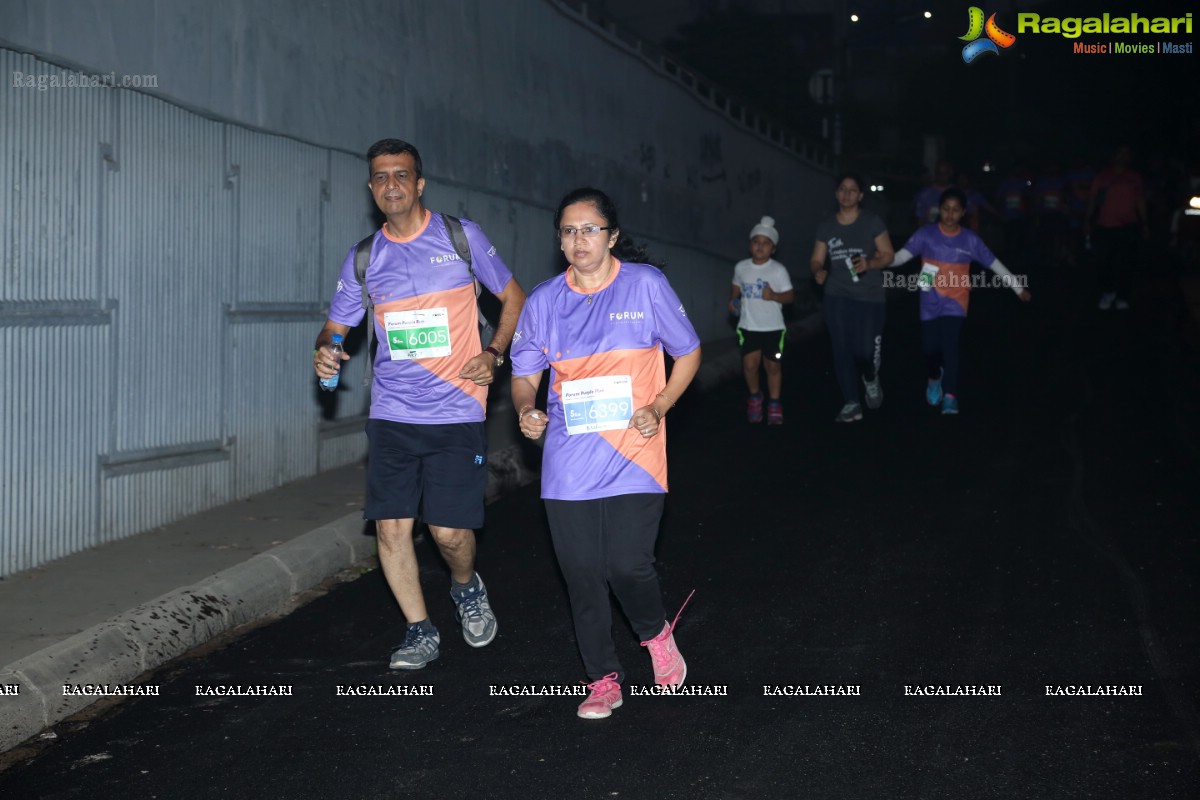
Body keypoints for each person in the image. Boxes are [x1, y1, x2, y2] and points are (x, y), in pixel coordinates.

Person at [313, 138, 526, 670]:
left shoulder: (460, 236)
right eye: (381, 177)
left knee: (450, 534)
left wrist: (495, 352)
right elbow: (336, 325)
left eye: (401, 175)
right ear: (371, 188)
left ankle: (465, 586)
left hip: (456, 410)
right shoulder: (366, 257)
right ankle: (418, 629)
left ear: (419, 183)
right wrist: (327, 350)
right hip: (392, 414)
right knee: (391, 527)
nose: (391, 185)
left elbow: (514, 297)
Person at [510, 187, 701, 720]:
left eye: (590, 229)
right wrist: (527, 409)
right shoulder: (545, 301)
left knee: (626, 566)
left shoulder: (645, 286)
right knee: (582, 573)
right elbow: (524, 373)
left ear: (612, 236)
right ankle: (602, 679)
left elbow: (687, 352)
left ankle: (655, 634)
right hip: (569, 458)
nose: (579, 240)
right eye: (569, 231)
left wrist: (659, 405)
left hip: (635, 451)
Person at [888, 187, 1032, 415]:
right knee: (930, 348)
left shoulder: (970, 239)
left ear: (963, 213)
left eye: (955, 210)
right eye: (946, 209)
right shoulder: (926, 234)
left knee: (950, 345)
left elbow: (994, 264)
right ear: (939, 210)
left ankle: (951, 395)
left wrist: (1017, 287)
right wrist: (878, 259)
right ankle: (934, 378)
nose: (950, 214)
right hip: (929, 296)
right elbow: (899, 258)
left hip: (956, 298)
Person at [810, 174, 895, 423]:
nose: (847, 194)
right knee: (841, 348)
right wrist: (818, 271)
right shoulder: (826, 226)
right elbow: (816, 258)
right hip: (837, 295)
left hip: (870, 296)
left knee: (865, 350)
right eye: (842, 189)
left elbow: (888, 254)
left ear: (860, 196)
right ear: (837, 194)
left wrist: (869, 262)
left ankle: (870, 377)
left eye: (852, 190)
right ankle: (851, 402)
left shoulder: (872, 222)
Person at [728, 216, 794, 424]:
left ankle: (774, 402)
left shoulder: (778, 270)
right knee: (749, 364)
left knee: (772, 365)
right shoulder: (741, 268)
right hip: (748, 325)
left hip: (773, 327)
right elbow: (735, 291)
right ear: (750, 245)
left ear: (773, 248)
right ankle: (755, 397)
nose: (760, 246)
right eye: (756, 241)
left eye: (766, 243)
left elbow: (790, 296)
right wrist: (733, 302)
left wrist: (774, 296)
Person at [1085, 144, 1149, 310]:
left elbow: (1139, 200)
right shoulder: (1103, 176)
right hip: (1105, 225)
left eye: (1126, 154)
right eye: (1120, 153)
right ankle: (1108, 292)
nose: (1123, 157)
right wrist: (1087, 220)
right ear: (1113, 156)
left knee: (1126, 262)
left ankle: (1122, 296)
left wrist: (1145, 223)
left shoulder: (1134, 177)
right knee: (1103, 260)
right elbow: (1093, 200)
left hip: (1128, 224)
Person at [914, 159, 956, 227]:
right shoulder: (925, 194)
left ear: (950, 173)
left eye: (944, 173)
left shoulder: (956, 193)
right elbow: (920, 220)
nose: (942, 176)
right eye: (939, 173)